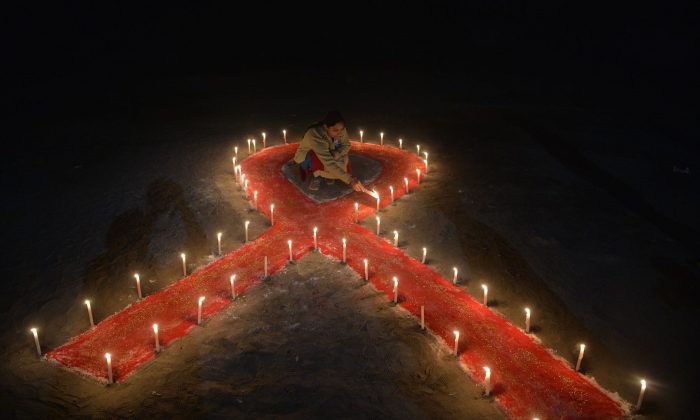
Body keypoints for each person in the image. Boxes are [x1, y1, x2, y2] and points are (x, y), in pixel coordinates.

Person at [293, 110, 363, 192]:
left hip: (330, 152)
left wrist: (338, 153)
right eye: (336, 130)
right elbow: (328, 162)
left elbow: (346, 145)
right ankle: (317, 176)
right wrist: (350, 179)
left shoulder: (340, 128)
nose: (340, 134)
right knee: (321, 160)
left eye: (342, 130)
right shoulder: (315, 135)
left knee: (342, 160)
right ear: (326, 127)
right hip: (310, 154)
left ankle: (328, 175)